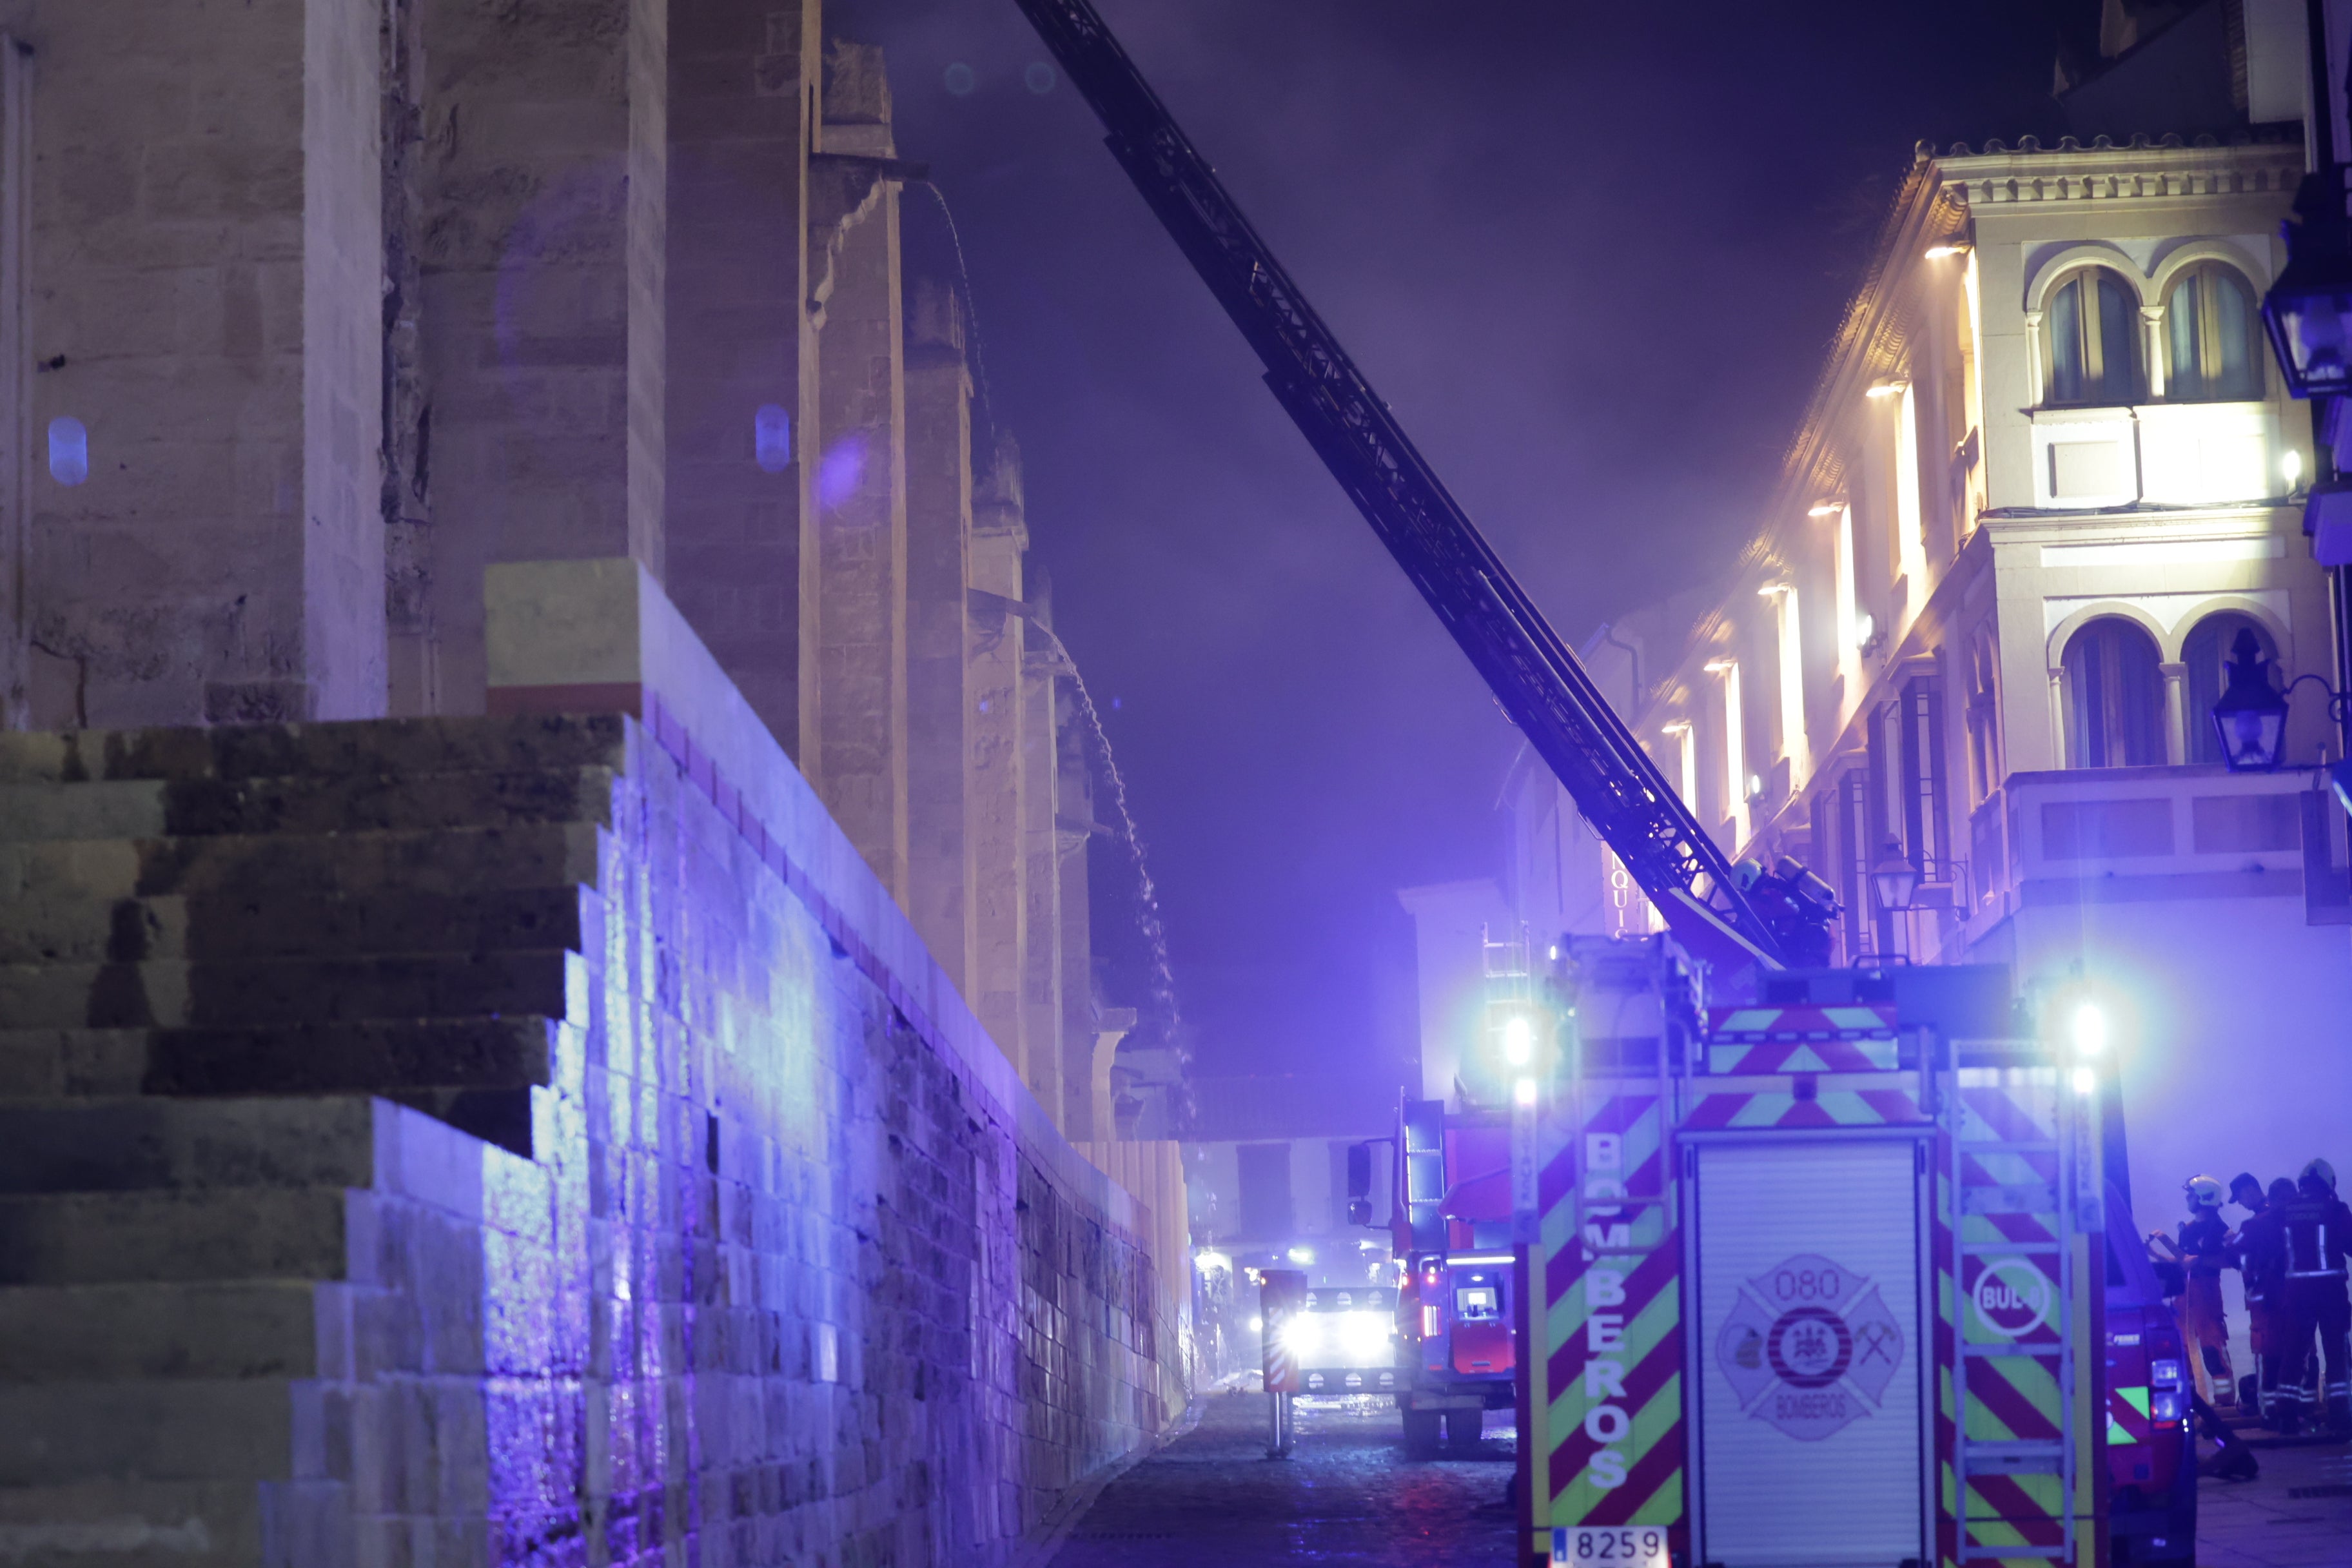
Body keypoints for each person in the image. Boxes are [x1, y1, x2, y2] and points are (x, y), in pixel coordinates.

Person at [2277, 1158, 2352, 1434]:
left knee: (2294, 1353)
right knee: (2336, 1352)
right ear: (2328, 1182)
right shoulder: (2335, 1208)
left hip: (2296, 1293)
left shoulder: (2286, 1211)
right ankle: (2341, 1416)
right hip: (2331, 1292)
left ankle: (2286, 1417)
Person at [2233, 1177, 2294, 1429]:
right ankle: (2298, 1408)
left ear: (2250, 1191)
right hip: (2290, 1298)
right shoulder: (2287, 1219)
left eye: (2241, 1197)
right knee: (2296, 1350)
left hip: (2265, 1301)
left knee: (2267, 1353)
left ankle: (2268, 1413)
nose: (2242, 1204)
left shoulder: (2258, 1224)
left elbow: (2236, 1256)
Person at [2175, 1174, 2237, 1409]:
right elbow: (2183, 1261)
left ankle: (2225, 1403)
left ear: (2203, 1197)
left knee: (2212, 1347)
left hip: (2207, 1294)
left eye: (2190, 1194)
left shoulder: (2221, 1230)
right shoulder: (2187, 1230)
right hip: (2184, 1295)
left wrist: (2199, 1261)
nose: (2187, 1199)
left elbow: (2231, 1260)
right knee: (2182, 1351)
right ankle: (2189, 1404)